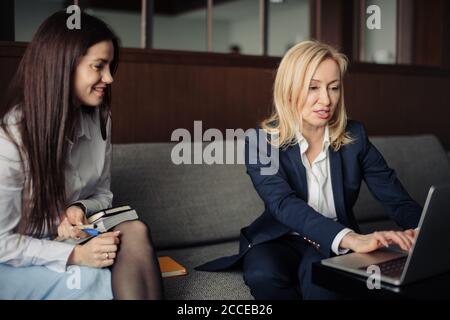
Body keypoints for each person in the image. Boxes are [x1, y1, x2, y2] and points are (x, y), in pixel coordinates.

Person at [196, 40, 422, 299]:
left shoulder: (355, 136)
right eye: (313, 87)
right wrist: (352, 239)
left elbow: (395, 196)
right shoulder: (260, 141)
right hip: (281, 237)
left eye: (334, 88)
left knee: (322, 285)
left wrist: (420, 232)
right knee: (263, 275)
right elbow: (283, 204)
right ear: (289, 90)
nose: (326, 100)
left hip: (335, 238)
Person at [0, 10, 163, 300]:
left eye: (110, 66)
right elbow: (2, 243)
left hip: (69, 237)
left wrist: (79, 207)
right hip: (24, 256)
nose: (109, 78)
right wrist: (76, 255)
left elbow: (103, 193)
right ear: (62, 66)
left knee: (134, 230)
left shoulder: (100, 120)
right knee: (94, 275)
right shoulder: (11, 140)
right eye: (99, 66)